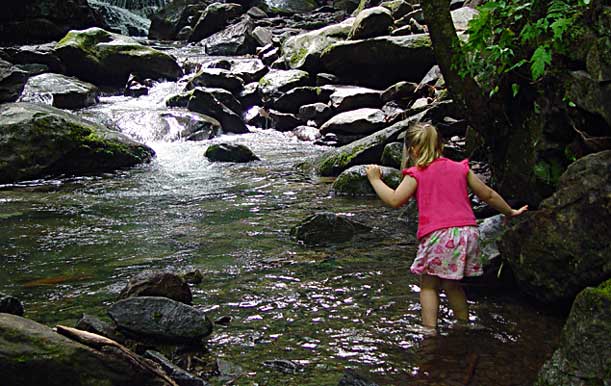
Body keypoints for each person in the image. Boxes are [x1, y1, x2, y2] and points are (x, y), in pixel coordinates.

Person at [366, 122, 528, 332]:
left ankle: (429, 330)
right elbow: (487, 194)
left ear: (413, 150)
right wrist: (510, 212)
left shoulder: (416, 173)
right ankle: (464, 323)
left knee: (428, 285)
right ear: (440, 146)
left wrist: (375, 180)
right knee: (452, 284)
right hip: (468, 233)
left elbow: (395, 200)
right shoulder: (461, 168)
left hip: (439, 236)